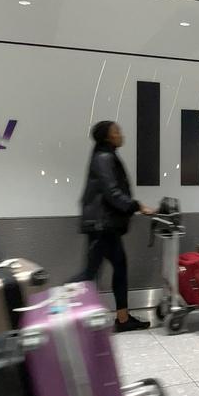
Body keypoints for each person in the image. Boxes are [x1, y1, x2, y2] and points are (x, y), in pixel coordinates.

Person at [71, 120, 154, 332]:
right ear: (108, 137)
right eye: (117, 131)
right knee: (90, 274)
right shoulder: (104, 158)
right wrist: (136, 205)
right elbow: (112, 191)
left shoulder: (105, 156)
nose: (121, 133)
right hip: (102, 225)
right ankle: (60, 310)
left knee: (115, 267)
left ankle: (123, 319)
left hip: (104, 224)